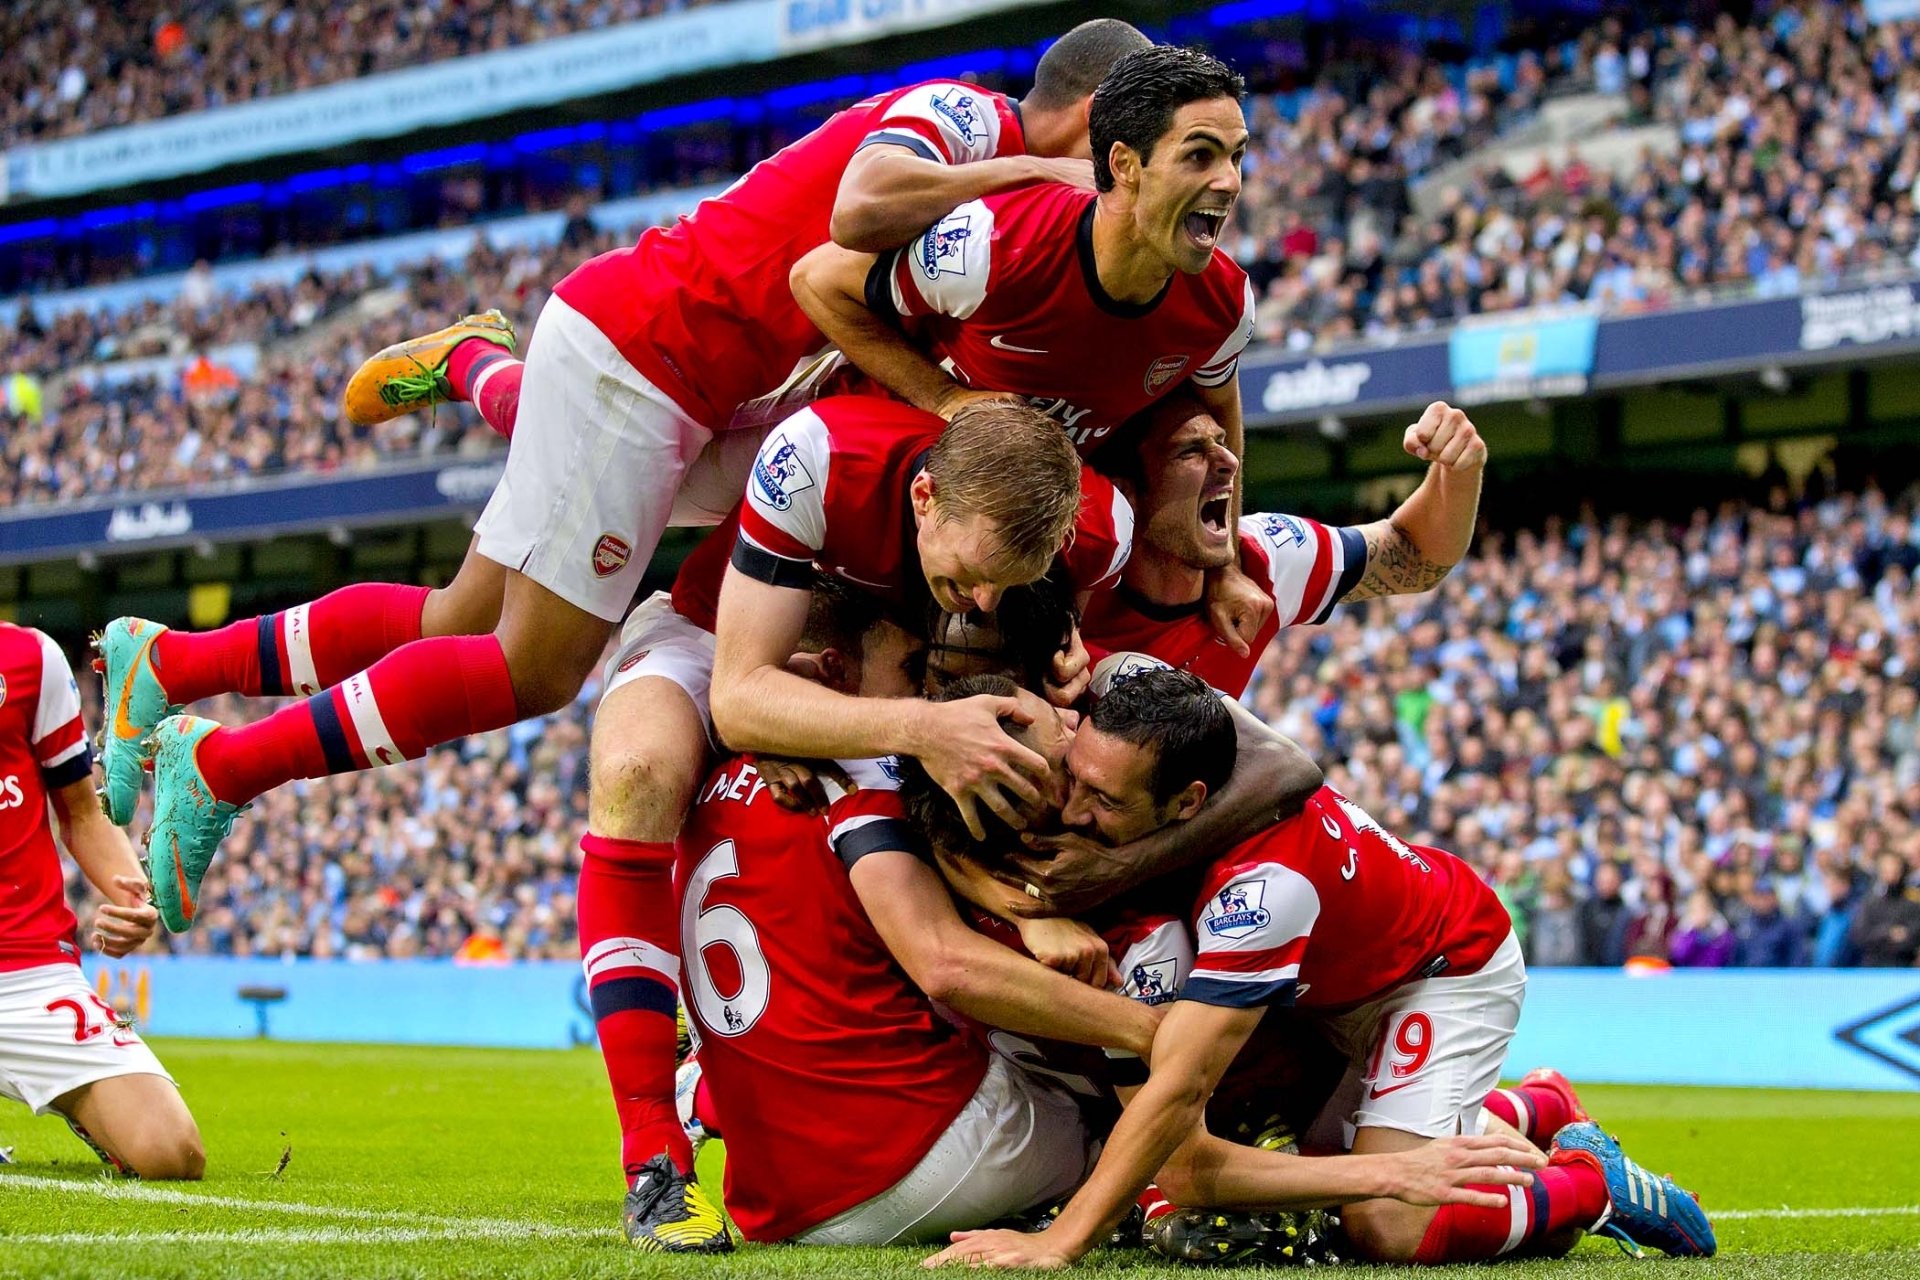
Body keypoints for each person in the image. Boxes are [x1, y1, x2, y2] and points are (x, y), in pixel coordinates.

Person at [97, 21, 1150, 1249]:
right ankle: (221, 761)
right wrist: (1035, 176)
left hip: (707, 390)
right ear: (1095, 129)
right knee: (531, 668)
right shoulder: (974, 129)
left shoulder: (1006, 333)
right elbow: (860, 209)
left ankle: (181, 654)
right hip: (651, 363)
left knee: (456, 617)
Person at [927, 670, 1716, 1268]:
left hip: (1440, 969)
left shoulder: (1260, 892)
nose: (1070, 813)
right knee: (1326, 1171)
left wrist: (1065, 1242)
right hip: (1339, 979)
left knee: (1386, 1218)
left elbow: (1183, 1108)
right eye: (1074, 778)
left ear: (1185, 806)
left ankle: (1590, 1181)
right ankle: (1532, 1108)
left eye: (1099, 799)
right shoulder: (1153, 750)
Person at [790, 44, 1272, 654]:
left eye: (1236, 156)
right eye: (1200, 155)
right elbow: (816, 280)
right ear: (1124, 164)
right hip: (869, 468)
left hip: (1006, 516)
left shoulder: (1224, 302)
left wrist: (1225, 566)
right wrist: (945, 396)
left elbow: (1220, 418)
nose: (1229, 182)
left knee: (1112, 527)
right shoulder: (994, 245)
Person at [708, 396, 1123, 838]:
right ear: (925, 497)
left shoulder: (1104, 533)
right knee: (642, 764)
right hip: (738, 607)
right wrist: (924, 729)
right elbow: (735, 703)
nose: (985, 601)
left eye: (1011, 580)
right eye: (976, 573)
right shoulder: (815, 459)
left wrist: (1061, 628)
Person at [1079, 394, 1485, 700]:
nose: (1229, 461)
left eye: (1221, 442)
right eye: (1190, 451)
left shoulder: (1264, 557)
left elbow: (1414, 556)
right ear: (1126, 493)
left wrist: (1459, 470)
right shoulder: (1066, 594)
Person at [0, 622, 202, 1180]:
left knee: (172, 1154)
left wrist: (129, 891)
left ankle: (80, 1104)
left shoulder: (29, 659)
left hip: (26, 969)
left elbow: (83, 814)